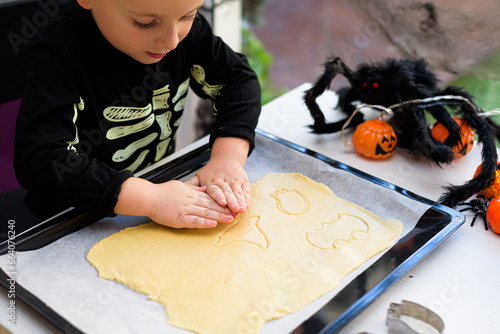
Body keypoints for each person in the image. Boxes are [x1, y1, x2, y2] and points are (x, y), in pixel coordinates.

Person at [13, 0, 261, 229]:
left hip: (162, 188)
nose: (172, 41)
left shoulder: (175, 24)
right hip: (71, 218)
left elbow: (237, 80)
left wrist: (227, 157)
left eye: (189, 16)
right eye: (145, 23)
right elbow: (42, 161)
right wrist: (151, 199)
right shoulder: (60, 50)